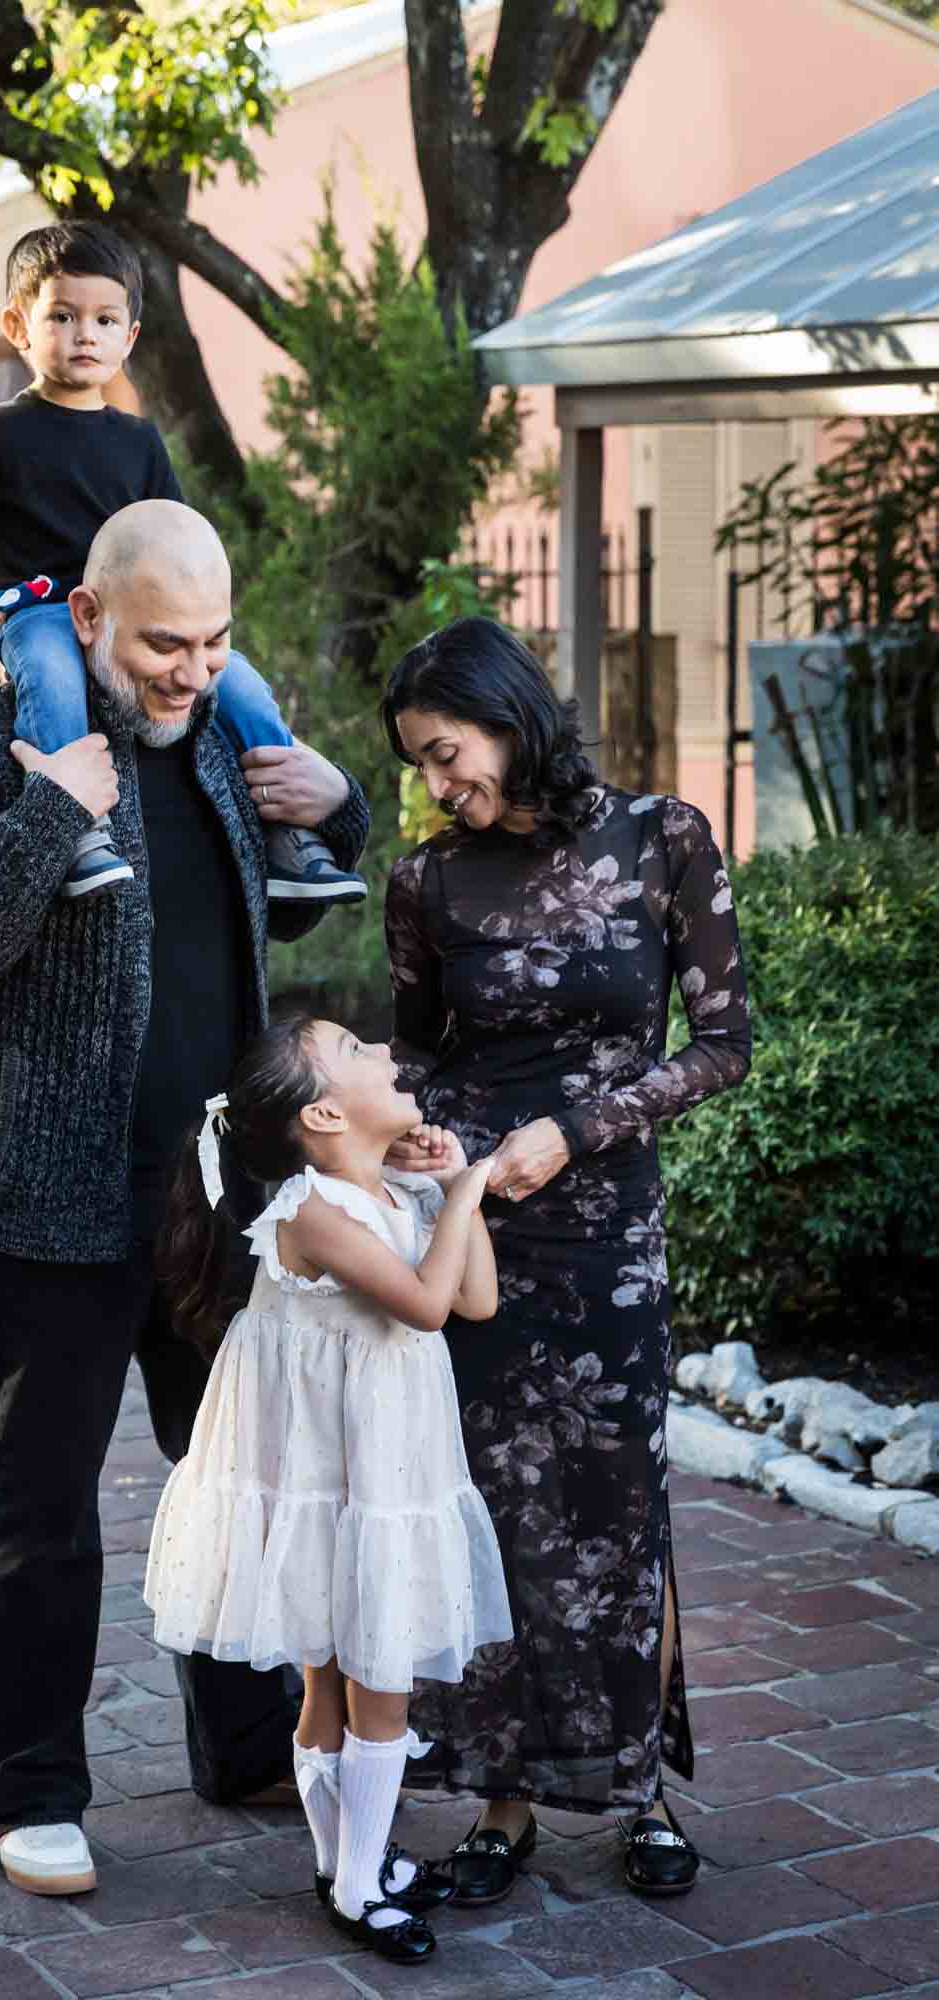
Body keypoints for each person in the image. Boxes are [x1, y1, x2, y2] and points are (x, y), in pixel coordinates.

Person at [0, 500, 370, 1897]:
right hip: (42, 1189)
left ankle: (242, 1742)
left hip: (209, 1192)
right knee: (42, 1498)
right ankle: (27, 1787)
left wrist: (337, 804)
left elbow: (265, 913)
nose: (194, 671)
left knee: (232, 1477)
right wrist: (54, 811)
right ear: (86, 617)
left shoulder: (221, 738)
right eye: (168, 643)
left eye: (217, 643)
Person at [380, 617, 752, 1904]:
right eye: (422, 764)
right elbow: (417, 1054)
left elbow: (723, 1042)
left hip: (605, 1238)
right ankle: (501, 1803)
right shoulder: (427, 881)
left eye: (447, 750)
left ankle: (636, 1790)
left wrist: (577, 1129)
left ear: (505, 713)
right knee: (484, 1511)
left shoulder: (663, 838)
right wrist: (431, 1142)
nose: (438, 781)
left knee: (614, 1512)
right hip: (475, 1238)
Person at [145, 1012, 514, 1965]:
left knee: (353, 1671)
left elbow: (476, 1299)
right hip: (329, 1472)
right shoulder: (312, 1210)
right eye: (358, 1052)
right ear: (321, 1114)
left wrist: (445, 1187)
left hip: (378, 1463)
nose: (387, 1054)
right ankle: (355, 1883)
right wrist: (469, 1188)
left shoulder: (388, 1191)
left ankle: (351, 1863)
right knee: (355, 1676)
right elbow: (429, 1307)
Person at [0, 217, 364, 907]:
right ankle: (80, 831)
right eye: (63, 316)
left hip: (132, 619)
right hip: (41, 610)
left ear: (129, 337)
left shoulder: (139, 441)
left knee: (247, 688)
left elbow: (175, 534)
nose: (86, 335)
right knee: (49, 676)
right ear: (18, 326)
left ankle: (291, 837)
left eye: (105, 320)